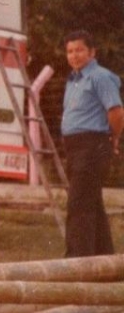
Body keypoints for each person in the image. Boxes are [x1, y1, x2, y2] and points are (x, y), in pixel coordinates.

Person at [61, 30, 123, 257]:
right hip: (75, 147)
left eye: (79, 50)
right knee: (92, 204)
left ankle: (77, 263)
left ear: (91, 52)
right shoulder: (74, 80)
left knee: (78, 205)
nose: (74, 55)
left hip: (92, 146)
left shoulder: (100, 76)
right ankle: (106, 261)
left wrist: (113, 137)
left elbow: (116, 111)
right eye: (70, 51)